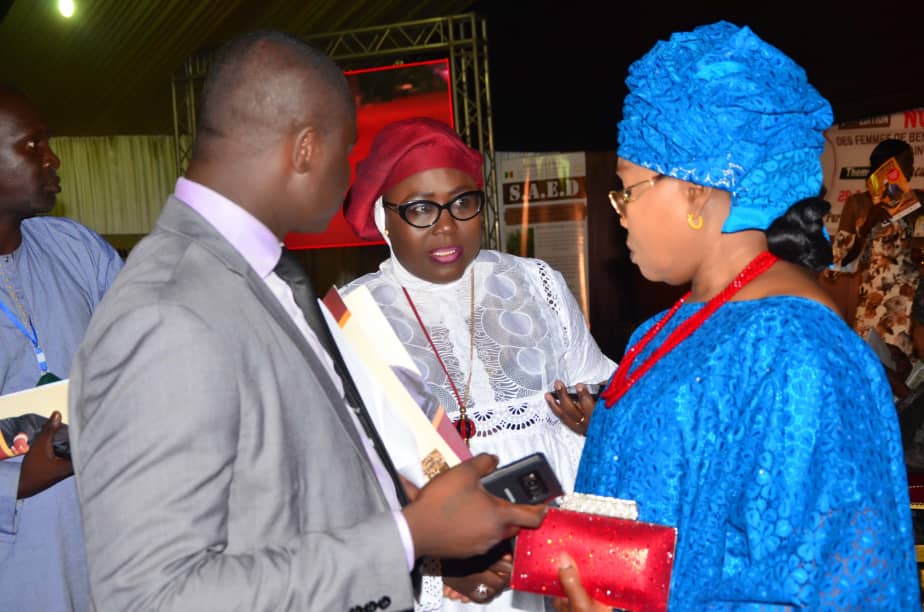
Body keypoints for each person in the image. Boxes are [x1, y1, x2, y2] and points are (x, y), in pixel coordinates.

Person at [68, 30, 546, 612]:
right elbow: (151, 597)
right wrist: (409, 536)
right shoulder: (170, 314)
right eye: (347, 155)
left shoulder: (257, 277)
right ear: (305, 150)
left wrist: (420, 545)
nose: (348, 179)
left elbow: (283, 495)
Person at [551, 22, 919, 610]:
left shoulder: (803, 355)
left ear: (698, 191)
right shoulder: (663, 330)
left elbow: (835, 589)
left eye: (629, 190)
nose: (620, 213)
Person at [341, 117, 615, 611]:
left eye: (463, 203)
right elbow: (348, 478)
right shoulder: (351, 319)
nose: (446, 226)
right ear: (384, 218)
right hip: (450, 569)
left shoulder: (537, 284)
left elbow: (599, 391)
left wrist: (600, 416)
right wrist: (438, 566)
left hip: (561, 549)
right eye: (421, 209)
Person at [0, 85, 123, 611]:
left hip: (105, 549)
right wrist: (21, 475)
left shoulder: (75, 248)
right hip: (20, 569)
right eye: (32, 146)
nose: (52, 159)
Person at [828, 138, 924, 360]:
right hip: (873, 302)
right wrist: (867, 226)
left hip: (907, 305)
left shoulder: (914, 201)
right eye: (907, 162)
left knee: (904, 371)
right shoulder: (857, 204)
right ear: (888, 166)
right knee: (872, 368)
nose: (911, 168)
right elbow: (839, 264)